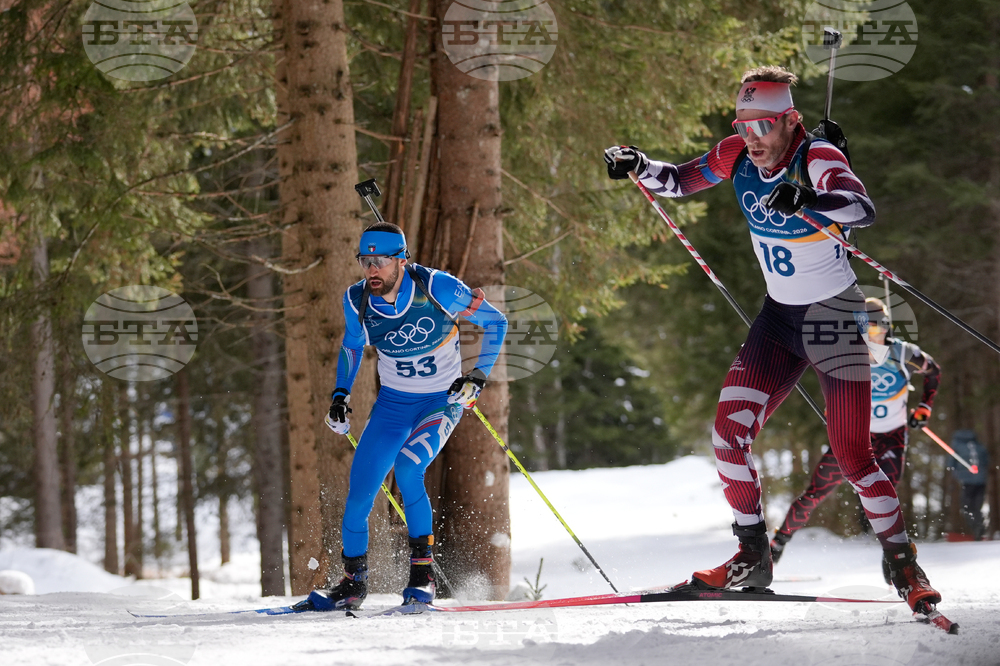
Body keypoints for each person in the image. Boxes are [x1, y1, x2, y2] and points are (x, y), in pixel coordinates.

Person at [604, 66, 942, 613]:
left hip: (832, 316)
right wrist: (640, 165)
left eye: (764, 125)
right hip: (778, 319)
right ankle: (751, 556)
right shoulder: (736, 152)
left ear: (790, 119)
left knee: (855, 456)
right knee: (727, 437)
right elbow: (683, 179)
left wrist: (806, 200)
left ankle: (905, 567)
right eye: (743, 124)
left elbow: (862, 208)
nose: (752, 137)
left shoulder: (817, 157)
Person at [306, 221, 508, 610]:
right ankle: (353, 584)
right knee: (360, 493)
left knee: (408, 468)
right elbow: (350, 348)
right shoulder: (357, 300)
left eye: (380, 261)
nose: (371, 270)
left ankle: (422, 578)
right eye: (365, 261)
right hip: (393, 406)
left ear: (400, 259)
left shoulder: (438, 287)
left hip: (441, 401)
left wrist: (477, 377)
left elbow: (496, 322)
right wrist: (340, 395)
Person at [770, 297, 942, 582]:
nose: (870, 339)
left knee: (887, 499)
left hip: (891, 437)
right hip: (853, 436)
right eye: (864, 331)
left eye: (876, 332)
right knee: (816, 493)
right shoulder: (846, 351)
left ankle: (894, 557)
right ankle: (778, 542)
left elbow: (934, 371)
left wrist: (925, 407)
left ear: (887, 329)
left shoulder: (903, 353)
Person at [947, 429, 989, 540]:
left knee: (967, 507)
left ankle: (977, 529)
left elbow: (951, 464)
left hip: (967, 482)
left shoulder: (956, 446)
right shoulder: (978, 446)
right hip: (981, 481)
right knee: (977, 507)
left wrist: (957, 476)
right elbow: (986, 461)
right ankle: (979, 529)